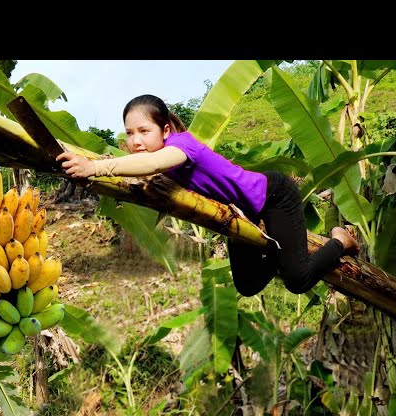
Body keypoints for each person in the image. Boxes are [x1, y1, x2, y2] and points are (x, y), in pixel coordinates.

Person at [56, 94, 360, 297]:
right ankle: (285, 255)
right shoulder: (158, 155)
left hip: (272, 196)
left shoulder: (180, 146)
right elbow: (138, 172)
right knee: (248, 284)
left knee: (297, 281)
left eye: (143, 131)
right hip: (242, 213)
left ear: (164, 130)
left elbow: (148, 164)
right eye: (129, 133)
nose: (135, 141)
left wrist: (94, 167)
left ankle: (339, 240)